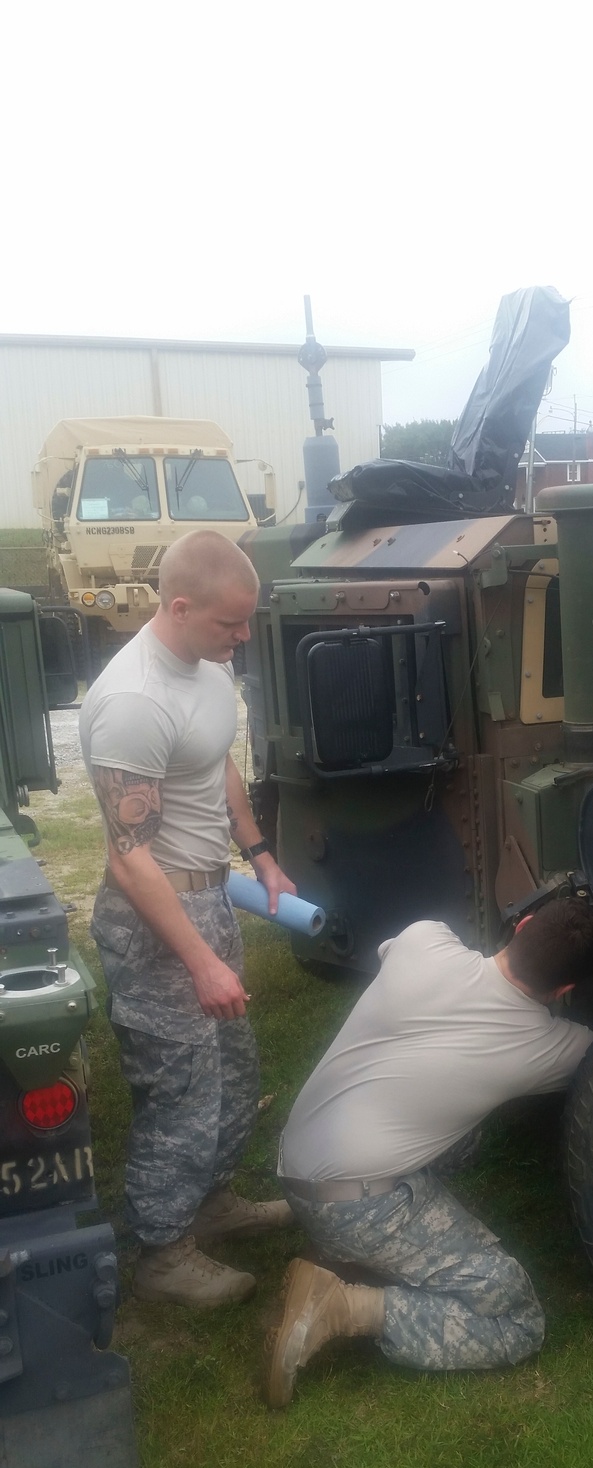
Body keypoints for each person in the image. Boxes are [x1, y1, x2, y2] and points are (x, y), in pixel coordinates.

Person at [264, 900, 593, 1407]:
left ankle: (328, 1231)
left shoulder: (424, 938)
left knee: (459, 1128)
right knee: (517, 1320)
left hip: (296, 1158)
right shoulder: (547, 1047)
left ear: (523, 925)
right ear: (565, 991)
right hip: (355, 1204)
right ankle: (342, 1307)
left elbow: (400, 963)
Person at [79, 530, 298, 1308]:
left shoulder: (207, 668)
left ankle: (213, 1202)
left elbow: (215, 760)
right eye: (231, 624)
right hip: (156, 913)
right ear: (178, 608)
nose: (243, 637)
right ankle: (164, 1251)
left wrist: (261, 853)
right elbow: (127, 857)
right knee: (180, 1086)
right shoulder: (134, 702)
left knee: (233, 1069)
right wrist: (201, 961)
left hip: (209, 896)